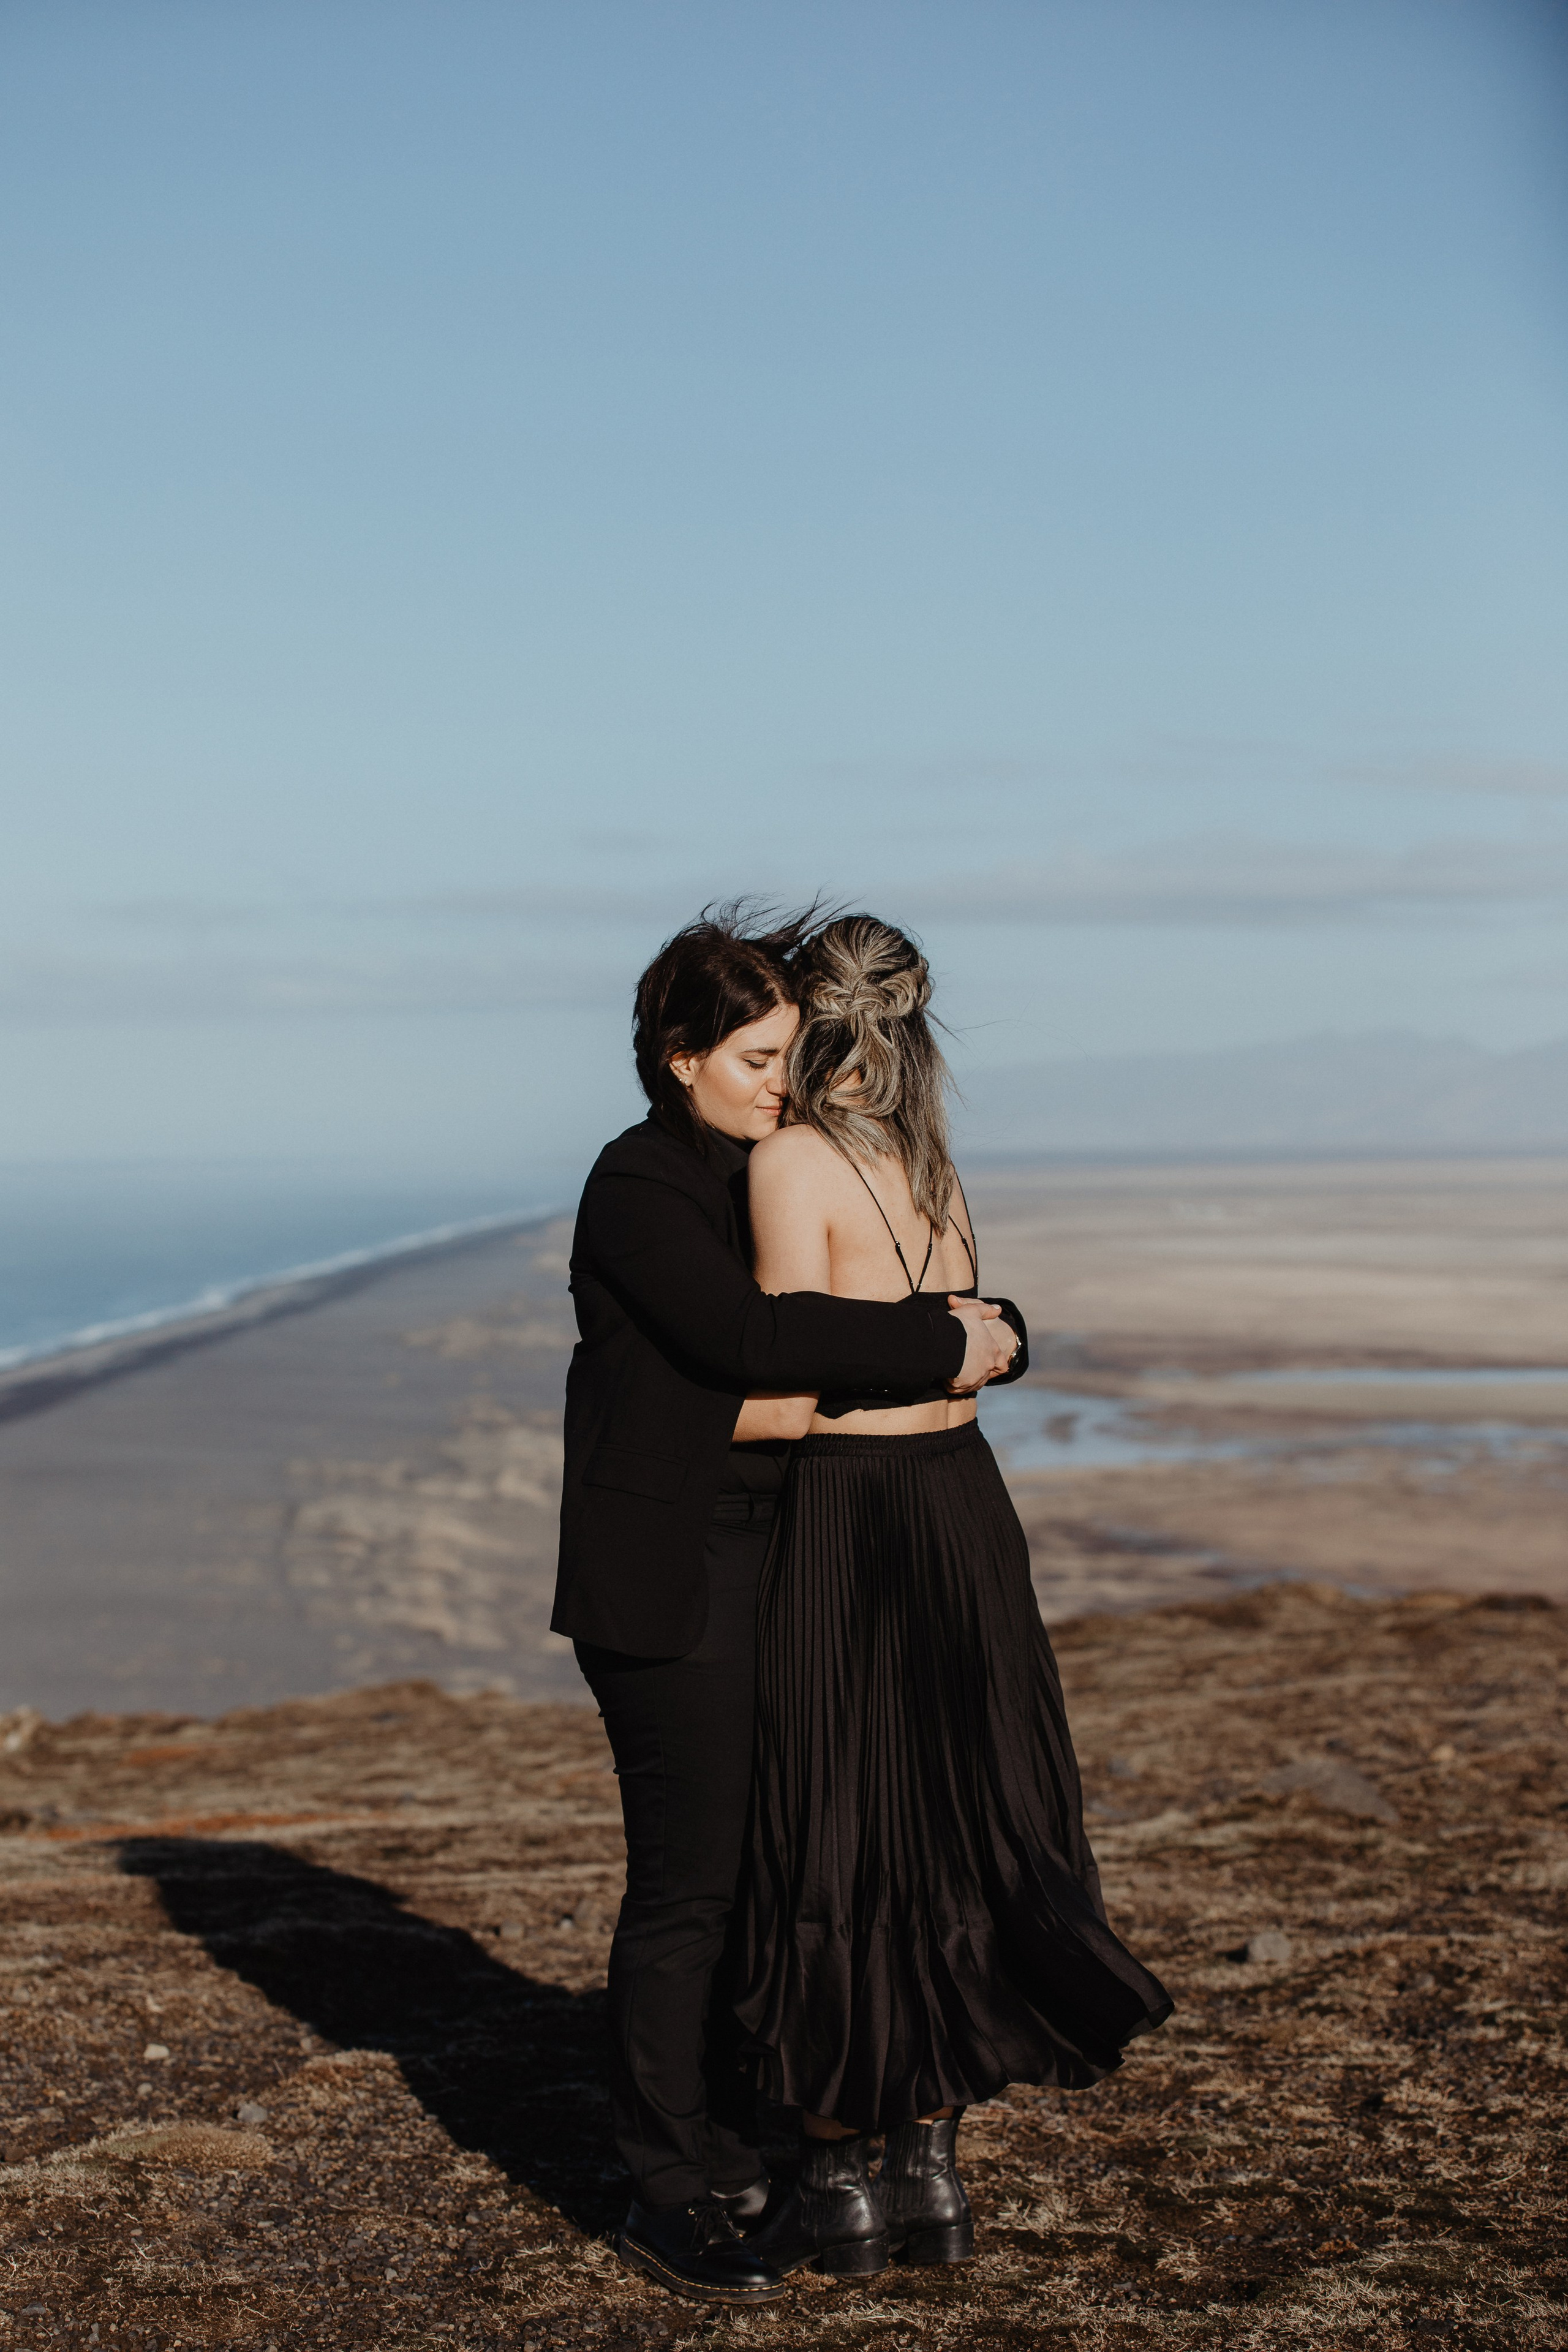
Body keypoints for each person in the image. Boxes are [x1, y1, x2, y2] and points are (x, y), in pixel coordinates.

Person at [549, 907, 1020, 2305]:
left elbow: (843, 1307)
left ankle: (744, 2137)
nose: (782, 1080)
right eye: (756, 1058)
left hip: (777, 1559)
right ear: (679, 1056)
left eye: (791, 1052)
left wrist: (981, 1325)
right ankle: (664, 2187)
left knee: (775, 1867)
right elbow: (750, 1339)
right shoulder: (639, 1183)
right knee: (689, 1889)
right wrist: (944, 1337)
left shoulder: (770, 1166)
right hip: (671, 1577)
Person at [734, 914, 1173, 2282]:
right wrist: (966, 1344)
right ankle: (928, 2173)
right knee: (956, 1816)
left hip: (852, 1512)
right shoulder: (932, 1159)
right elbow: (975, 1339)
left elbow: (788, 1368)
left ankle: (841, 2182)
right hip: (962, 1505)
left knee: (840, 1821)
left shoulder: (788, 1162)